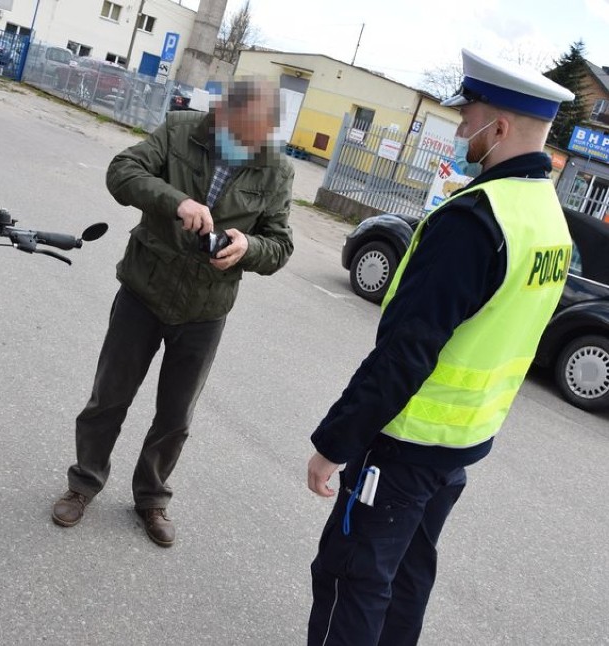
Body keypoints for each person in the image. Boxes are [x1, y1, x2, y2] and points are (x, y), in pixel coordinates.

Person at [306, 49, 575, 645]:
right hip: (461, 446)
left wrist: (335, 443)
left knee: (352, 579)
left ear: (498, 127)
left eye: (468, 115)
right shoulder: (548, 218)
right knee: (404, 578)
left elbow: (407, 352)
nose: (458, 129)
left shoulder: (476, 219)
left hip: (406, 444)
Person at [52, 78, 294, 547]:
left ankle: (151, 498)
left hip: (205, 309)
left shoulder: (276, 170)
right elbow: (121, 172)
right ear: (223, 114)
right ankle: (83, 483)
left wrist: (248, 247)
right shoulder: (180, 130)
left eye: (258, 135)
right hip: (144, 289)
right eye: (241, 130)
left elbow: (280, 245)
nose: (249, 143)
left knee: (176, 416)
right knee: (109, 396)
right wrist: (176, 201)